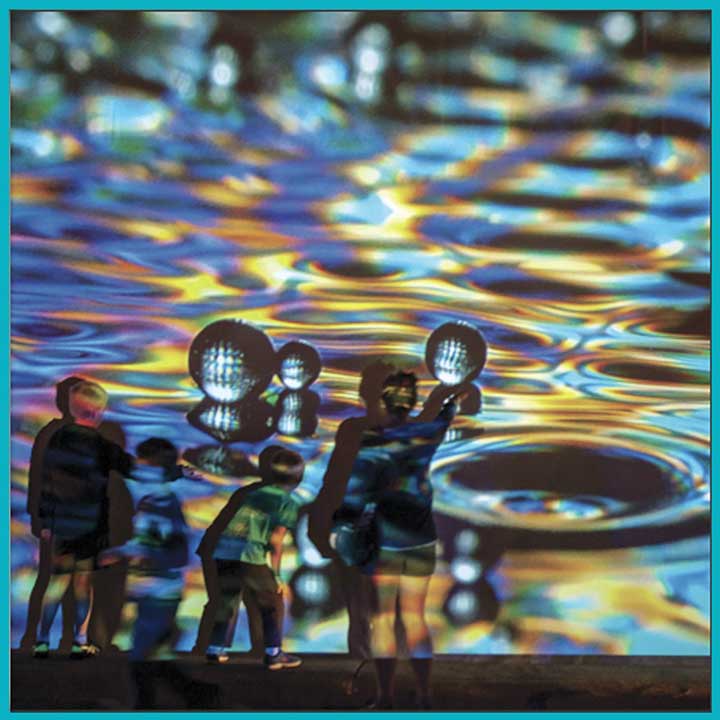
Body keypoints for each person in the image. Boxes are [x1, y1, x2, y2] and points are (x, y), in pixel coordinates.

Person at [310, 364, 468, 709]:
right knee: (415, 617)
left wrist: (339, 529)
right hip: (423, 538)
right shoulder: (426, 434)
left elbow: (354, 494)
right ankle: (425, 694)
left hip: (387, 542)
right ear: (412, 402)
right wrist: (452, 401)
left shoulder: (372, 441)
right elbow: (444, 419)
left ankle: (385, 698)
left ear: (383, 400)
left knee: (382, 618)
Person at [99, 437, 218, 709]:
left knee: (142, 657)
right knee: (155, 655)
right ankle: (198, 694)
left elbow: (175, 552)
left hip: (159, 591)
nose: (137, 472)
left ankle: (148, 706)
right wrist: (122, 552)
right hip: (153, 589)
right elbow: (150, 541)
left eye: (142, 466)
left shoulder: (161, 504)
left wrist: (131, 553)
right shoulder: (153, 501)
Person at [32, 380, 131, 659]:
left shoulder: (57, 438)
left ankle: (41, 641)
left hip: (62, 523)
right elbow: (131, 467)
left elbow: (45, 482)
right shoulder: (101, 445)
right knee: (82, 584)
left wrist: (44, 521)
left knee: (56, 582)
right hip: (89, 524)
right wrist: (174, 471)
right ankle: (78, 640)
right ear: (98, 410)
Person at [200, 445, 304, 670]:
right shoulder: (288, 502)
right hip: (249, 554)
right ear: (298, 477)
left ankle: (216, 650)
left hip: (224, 551)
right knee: (271, 602)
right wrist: (277, 576)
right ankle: (274, 654)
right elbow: (276, 541)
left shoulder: (252, 492)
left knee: (226, 601)